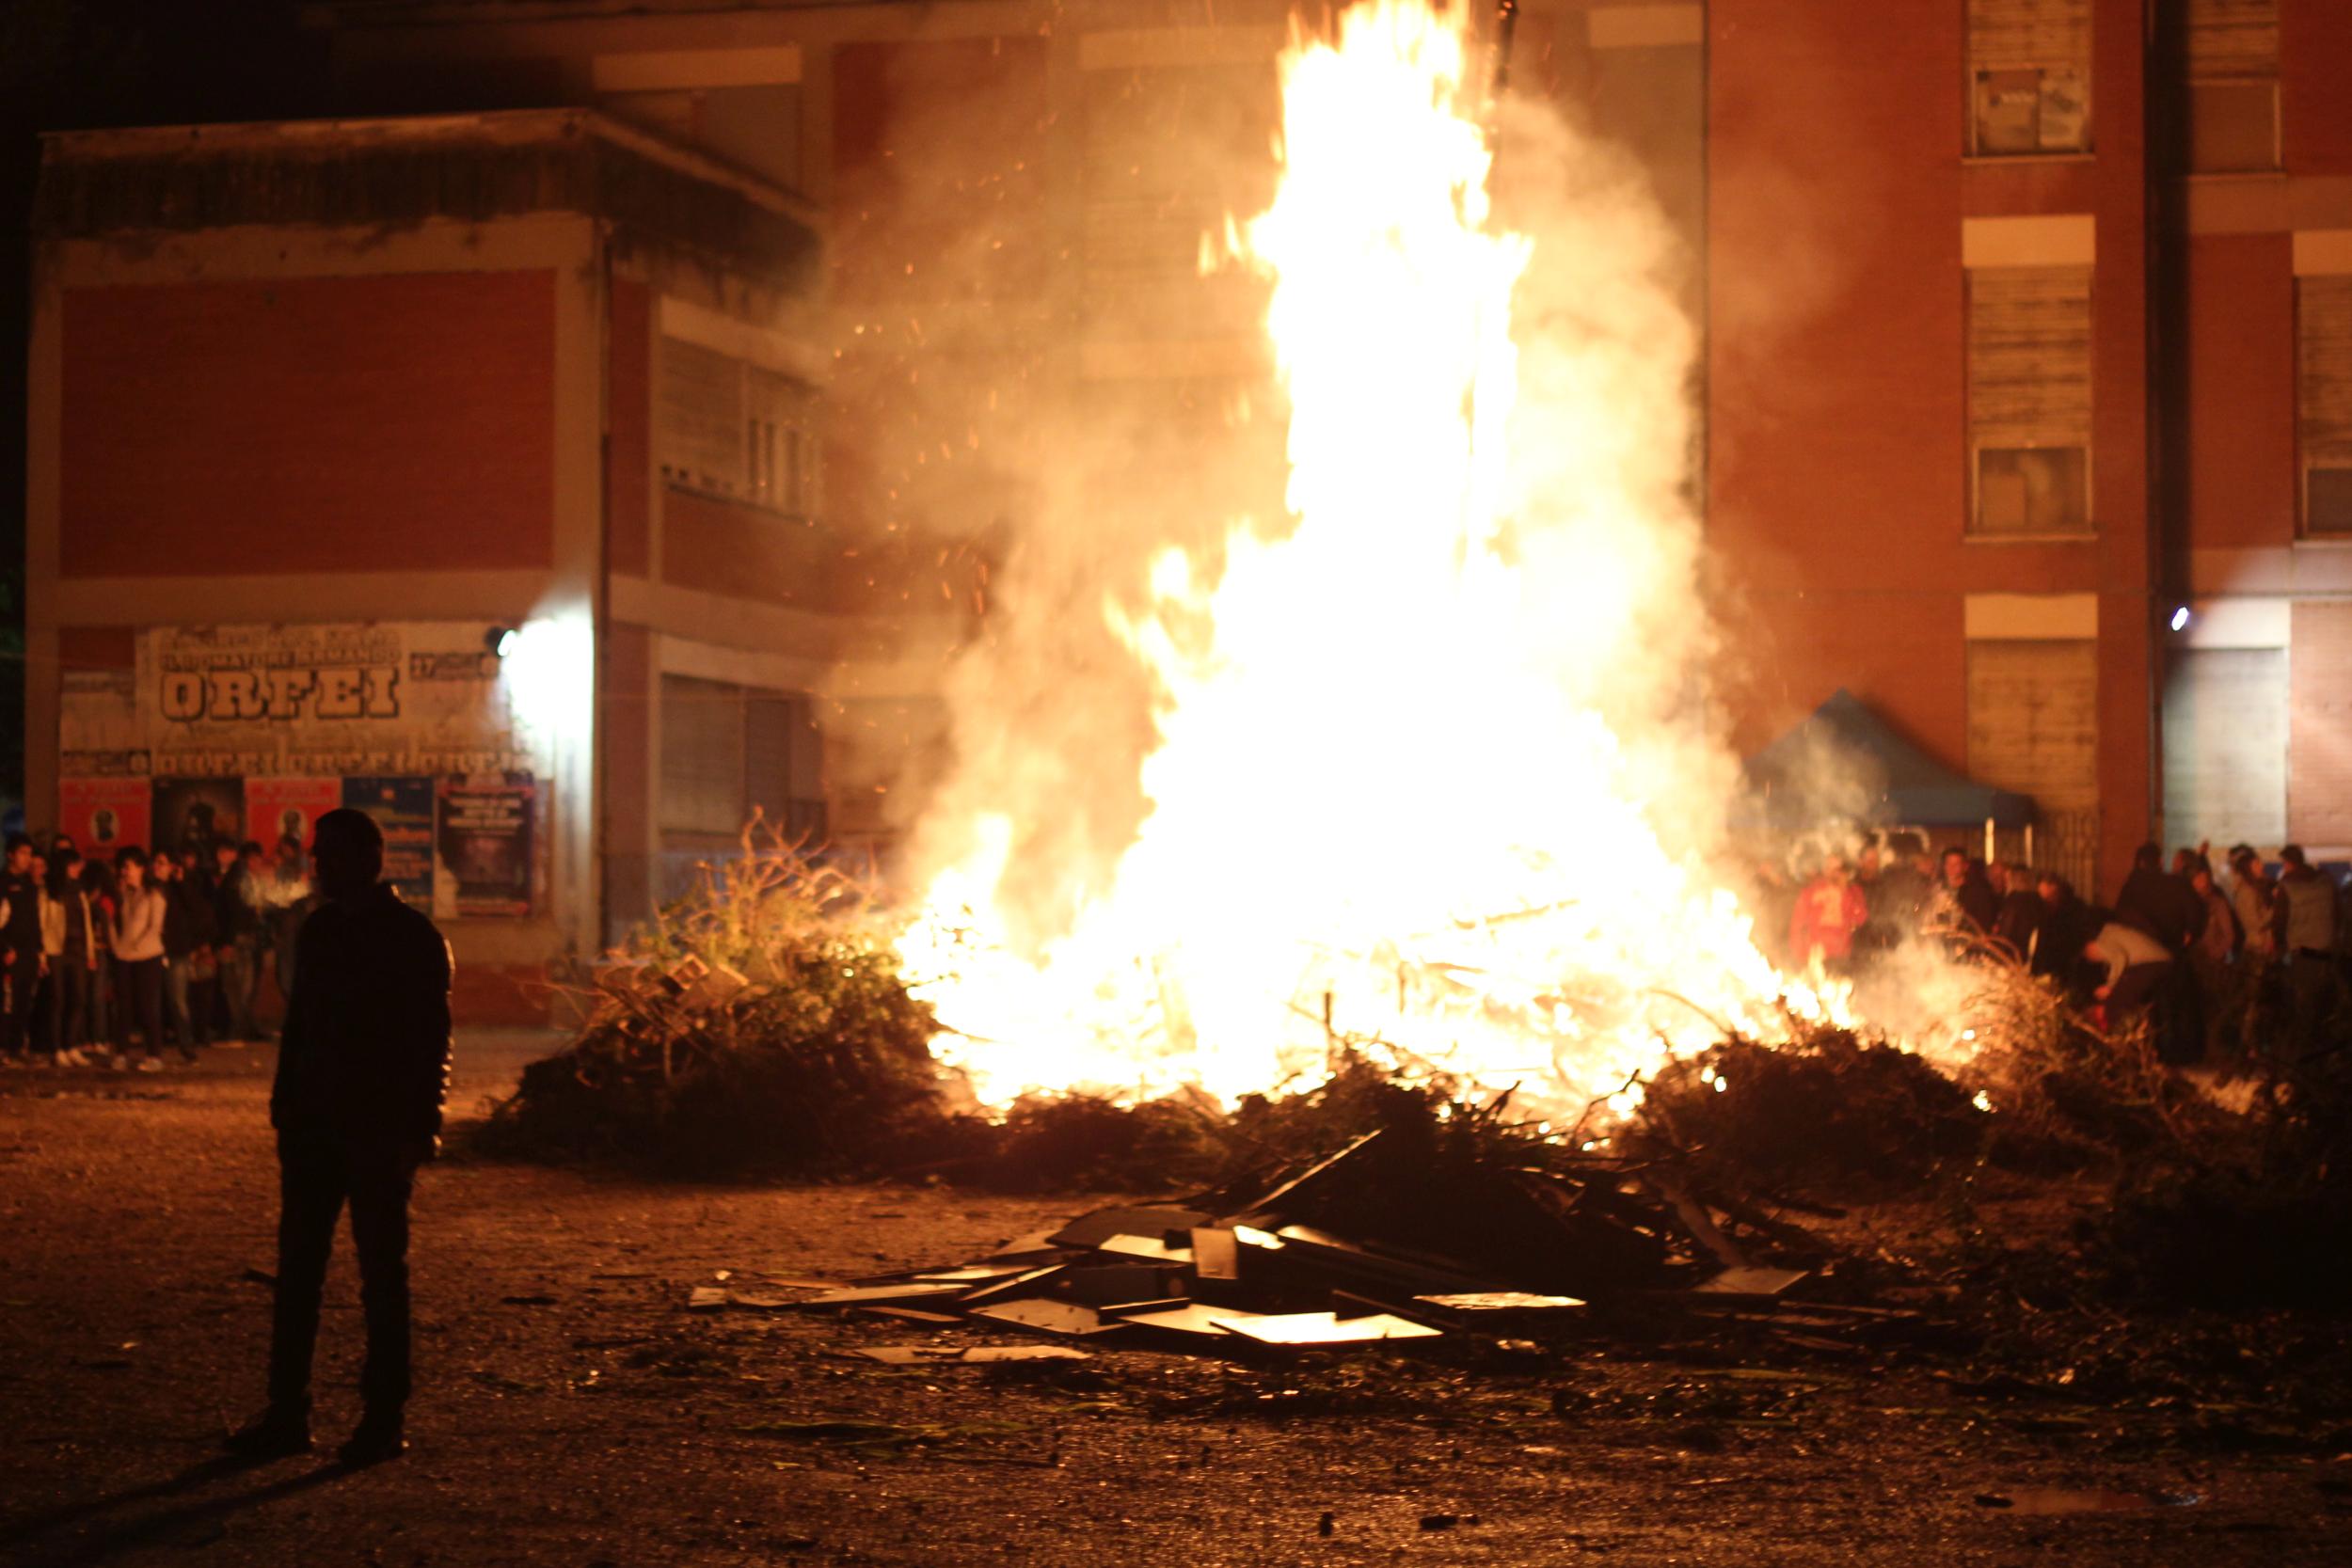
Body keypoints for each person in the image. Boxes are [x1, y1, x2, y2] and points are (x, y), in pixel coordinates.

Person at [225, 809, 452, 1469]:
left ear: (368, 859)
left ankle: (381, 1419)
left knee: (381, 1277)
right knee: (300, 1274)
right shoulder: (321, 930)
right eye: (318, 855)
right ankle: (288, 1413)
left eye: (329, 855)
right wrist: (283, 1107)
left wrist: (422, 1126)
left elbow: (430, 1040)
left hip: (376, 1132)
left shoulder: (414, 937)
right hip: (317, 1128)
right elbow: (301, 1028)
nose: (317, 866)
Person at [2272, 845, 2340, 1065]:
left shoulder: (2287, 886)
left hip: (2302, 954)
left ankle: (2304, 1056)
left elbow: (2279, 922)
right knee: (2326, 1005)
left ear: (2289, 864)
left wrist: (2279, 946)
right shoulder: (2327, 882)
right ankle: (2327, 1053)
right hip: (2327, 951)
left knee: (2303, 1006)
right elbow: (2338, 913)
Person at [110, 847, 169, 1071]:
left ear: (141, 868)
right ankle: (121, 1053)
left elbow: (155, 927)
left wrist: (136, 945)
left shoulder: (154, 894)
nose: (125, 871)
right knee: (123, 1007)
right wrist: (118, 947)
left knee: (147, 1006)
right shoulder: (125, 895)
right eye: (123, 867)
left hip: (147, 956)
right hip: (124, 956)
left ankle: (154, 1055)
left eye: (129, 866)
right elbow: (118, 924)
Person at [157, 852, 215, 1062]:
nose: (157, 867)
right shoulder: (151, 887)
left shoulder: (180, 888)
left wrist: (180, 882)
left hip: (176, 951)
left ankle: (186, 1043)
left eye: (162, 863)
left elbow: (197, 911)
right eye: (156, 863)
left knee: (178, 1000)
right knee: (153, 1000)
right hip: (152, 949)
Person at [2185, 856, 2241, 1067]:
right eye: (2198, 878)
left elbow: (2229, 935)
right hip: (2193, 963)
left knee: (2214, 1009)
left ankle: (2215, 1051)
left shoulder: (2217, 903)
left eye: (2205, 878)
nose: (2203, 882)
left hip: (2213, 965)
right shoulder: (2187, 902)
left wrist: (2216, 954)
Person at [44, 851, 98, 1067]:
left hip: (78, 952)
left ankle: (71, 1045)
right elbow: (44, 923)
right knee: (58, 999)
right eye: (74, 865)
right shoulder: (51, 892)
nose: (78, 869)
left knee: (78, 998)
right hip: (56, 950)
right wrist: (43, 955)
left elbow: (86, 924)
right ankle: (57, 1048)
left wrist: (90, 953)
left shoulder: (80, 891)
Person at [215, 840, 270, 1044]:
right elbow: (231, 912)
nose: (258, 863)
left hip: (249, 938)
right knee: (238, 987)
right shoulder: (237, 879)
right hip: (238, 939)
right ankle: (237, 1029)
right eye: (255, 859)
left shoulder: (249, 879)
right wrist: (228, 941)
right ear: (247, 859)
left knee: (245, 986)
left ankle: (243, 1027)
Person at [1788, 853, 1869, 977]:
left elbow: (1861, 919)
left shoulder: (1853, 891)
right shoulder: (1811, 892)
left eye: (1837, 869)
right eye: (1829, 868)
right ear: (1824, 870)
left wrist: (1844, 891)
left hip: (1841, 957)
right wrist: (1800, 954)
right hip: (1815, 956)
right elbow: (1797, 924)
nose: (1833, 873)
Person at [2085, 920, 2174, 1031]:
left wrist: (2110, 986)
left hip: (2153, 961)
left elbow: (2119, 958)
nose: (2092, 958)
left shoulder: (2101, 943)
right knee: (2123, 991)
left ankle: (2109, 1020)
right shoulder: (2109, 935)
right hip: (2152, 960)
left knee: (2121, 995)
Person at [0, 833, 42, 1065]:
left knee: (25, 1001)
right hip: (10, 954)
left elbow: (35, 920)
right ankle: (3, 1046)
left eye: (29, 853)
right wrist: (5, 948)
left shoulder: (29, 885)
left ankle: (17, 1045)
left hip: (29, 954)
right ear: (10, 855)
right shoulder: (3, 883)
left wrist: (40, 950)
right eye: (23, 853)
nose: (27, 858)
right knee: (8, 1002)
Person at [1934, 847, 2000, 941]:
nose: (1951, 868)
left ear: (1965, 866)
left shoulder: (1978, 892)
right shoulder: (1938, 890)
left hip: (1969, 943)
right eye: (1948, 864)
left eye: (1956, 864)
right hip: (1941, 943)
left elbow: (1984, 922)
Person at [1990, 862, 2046, 965]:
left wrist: (1997, 953)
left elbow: (2006, 933)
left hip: (2015, 957)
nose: (2005, 882)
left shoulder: (2014, 901)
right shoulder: (2038, 900)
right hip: (2035, 958)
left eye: (2007, 879)